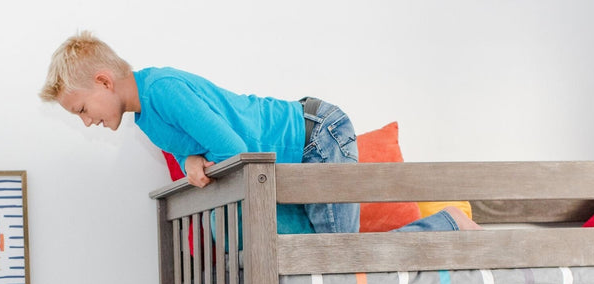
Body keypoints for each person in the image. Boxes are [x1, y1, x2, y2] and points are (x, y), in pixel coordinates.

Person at [39, 31, 479, 235]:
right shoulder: (147, 120)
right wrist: (193, 160)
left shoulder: (163, 90)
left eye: (81, 109)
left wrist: (203, 160)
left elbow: (237, 152)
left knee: (338, 260)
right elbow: (209, 149)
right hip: (293, 157)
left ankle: (448, 223)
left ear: (103, 81)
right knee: (323, 259)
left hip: (316, 137)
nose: (86, 120)